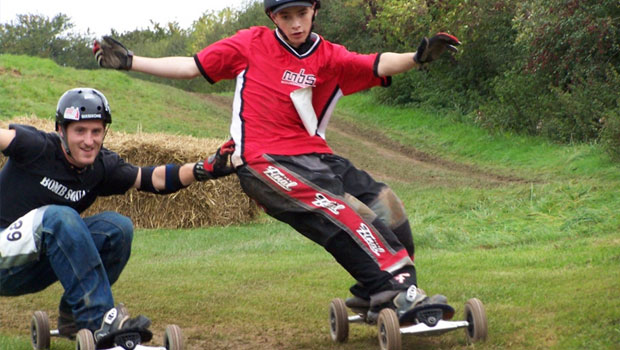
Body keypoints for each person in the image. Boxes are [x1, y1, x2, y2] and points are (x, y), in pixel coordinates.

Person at [92, 0, 460, 321]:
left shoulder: (328, 55)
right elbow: (192, 67)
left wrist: (416, 59)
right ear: (273, 17)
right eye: (287, 16)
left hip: (316, 156)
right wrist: (130, 61)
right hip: (263, 161)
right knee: (340, 212)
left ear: (315, 10)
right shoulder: (250, 44)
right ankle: (391, 288)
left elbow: (377, 64)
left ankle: (381, 291)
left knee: (387, 204)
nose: (296, 23)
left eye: (303, 13)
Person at [0, 87, 234, 342]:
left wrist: (202, 169)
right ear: (61, 130)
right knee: (61, 217)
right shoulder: (37, 146)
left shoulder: (100, 167)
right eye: (80, 131)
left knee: (117, 228)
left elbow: (152, 178)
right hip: (4, 261)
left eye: (96, 131)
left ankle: (75, 319)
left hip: (38, 265)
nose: (89, 141)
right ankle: (99, 319)